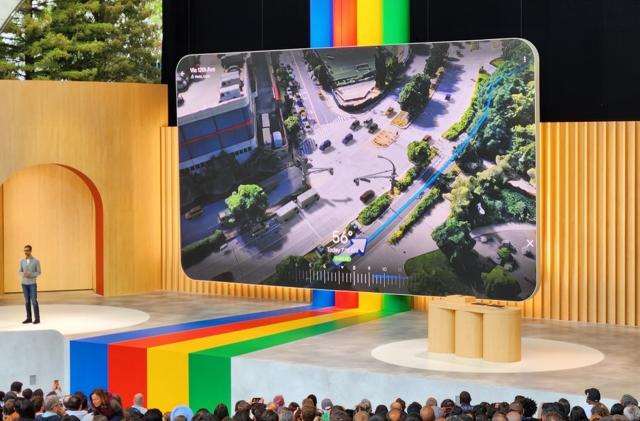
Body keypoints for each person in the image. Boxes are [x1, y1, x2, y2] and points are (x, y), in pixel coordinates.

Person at [19, 245, 41, 324]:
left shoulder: (36, 261)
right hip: (24, 284)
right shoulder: (21, 261)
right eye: (24, 250)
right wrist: (23, 274)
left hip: (32, 284)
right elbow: (19, 271)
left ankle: (37, 318)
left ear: (30, 251)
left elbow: (39, 272)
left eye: (27, 250)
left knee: (34, 301)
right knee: (27, 301)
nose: (26, 252)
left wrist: (30, 274)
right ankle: (29, 318)